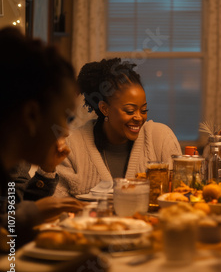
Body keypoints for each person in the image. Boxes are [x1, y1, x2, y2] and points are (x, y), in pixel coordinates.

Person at [0, 27, 105, 272]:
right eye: (66, 118)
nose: (67, 131)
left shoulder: (12, 167)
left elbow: (8, 244)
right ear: (32, 115)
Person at [54, 58, 182, 197]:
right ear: (104, 108)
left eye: (144, 110)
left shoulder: (161, 139)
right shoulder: (73, 146)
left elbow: (181, 194)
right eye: (130, 111)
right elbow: (56, 204)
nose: (139, 117)